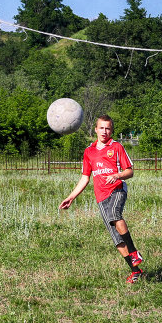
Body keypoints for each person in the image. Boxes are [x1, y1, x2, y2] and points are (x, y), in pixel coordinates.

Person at [59, 115, 145, 283]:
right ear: (96, 129)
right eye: (102, 128)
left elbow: (130, 171)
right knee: (117, 240)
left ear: (111, 131)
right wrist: (71, 197)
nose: (104, 131)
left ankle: (134, 253)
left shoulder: (116, 147)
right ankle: (136, 271)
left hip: (117, 190)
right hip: (101, 197)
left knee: (115, 214)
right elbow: (85, 178)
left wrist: (118, 175)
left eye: (108, 128)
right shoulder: (89, 152)